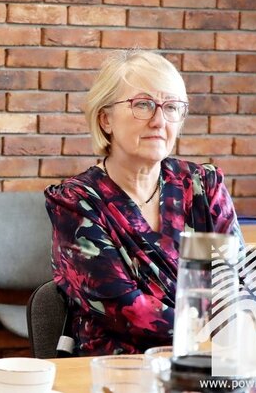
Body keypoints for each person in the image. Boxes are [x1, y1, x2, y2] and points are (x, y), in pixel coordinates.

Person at [44, 50, 244, 356]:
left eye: (172, 107)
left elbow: (234, 283)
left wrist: (232, 330)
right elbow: (128, 311)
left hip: (209, 361)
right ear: (106, 119)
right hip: (119, 368)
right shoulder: (76, 203)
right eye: (143, 104)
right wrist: (214, 332)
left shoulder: (203, 186)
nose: (159, 121)